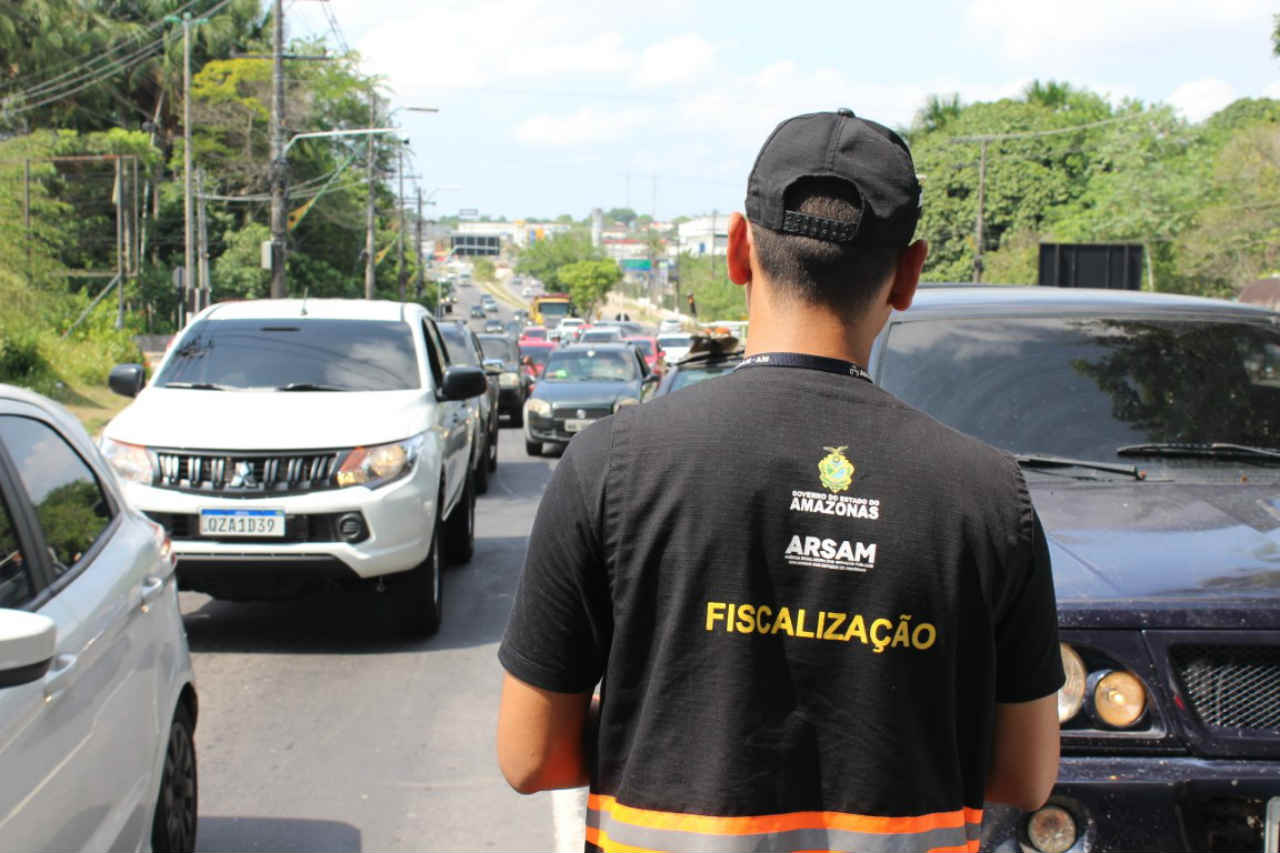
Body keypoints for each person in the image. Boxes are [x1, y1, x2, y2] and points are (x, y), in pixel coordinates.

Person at [497, 109, 1063, 853]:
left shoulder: (612, 462)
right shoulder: (989, 495)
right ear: (908, 275)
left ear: (738, 249)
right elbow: (1025, 775)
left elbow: (530, 756)